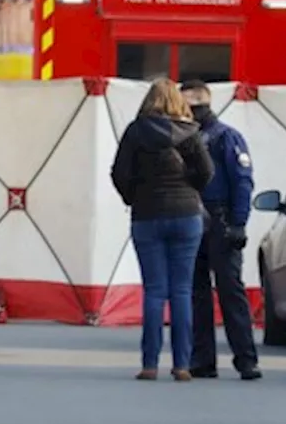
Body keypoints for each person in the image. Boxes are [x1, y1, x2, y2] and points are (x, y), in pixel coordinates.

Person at [110, 78, 215, 382]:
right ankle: (182, 365)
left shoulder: (135, 131)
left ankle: (150, 364)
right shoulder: (190, 132)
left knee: (154, 291)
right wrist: (190, 191)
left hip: (147, 216)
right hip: (186, 216)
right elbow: (207, 172)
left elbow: (119, 173)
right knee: (182, 290)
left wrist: (134, 196)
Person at [180, 79, 262, 381]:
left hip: (220, 218)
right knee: (196, 292)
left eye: (191, 106)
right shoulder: (184, 138)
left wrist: (239, 222)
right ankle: (203, 359)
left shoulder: (225, 137)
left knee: (230, 291)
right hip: (190, 216)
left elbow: (242, 180)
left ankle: (246, 359)